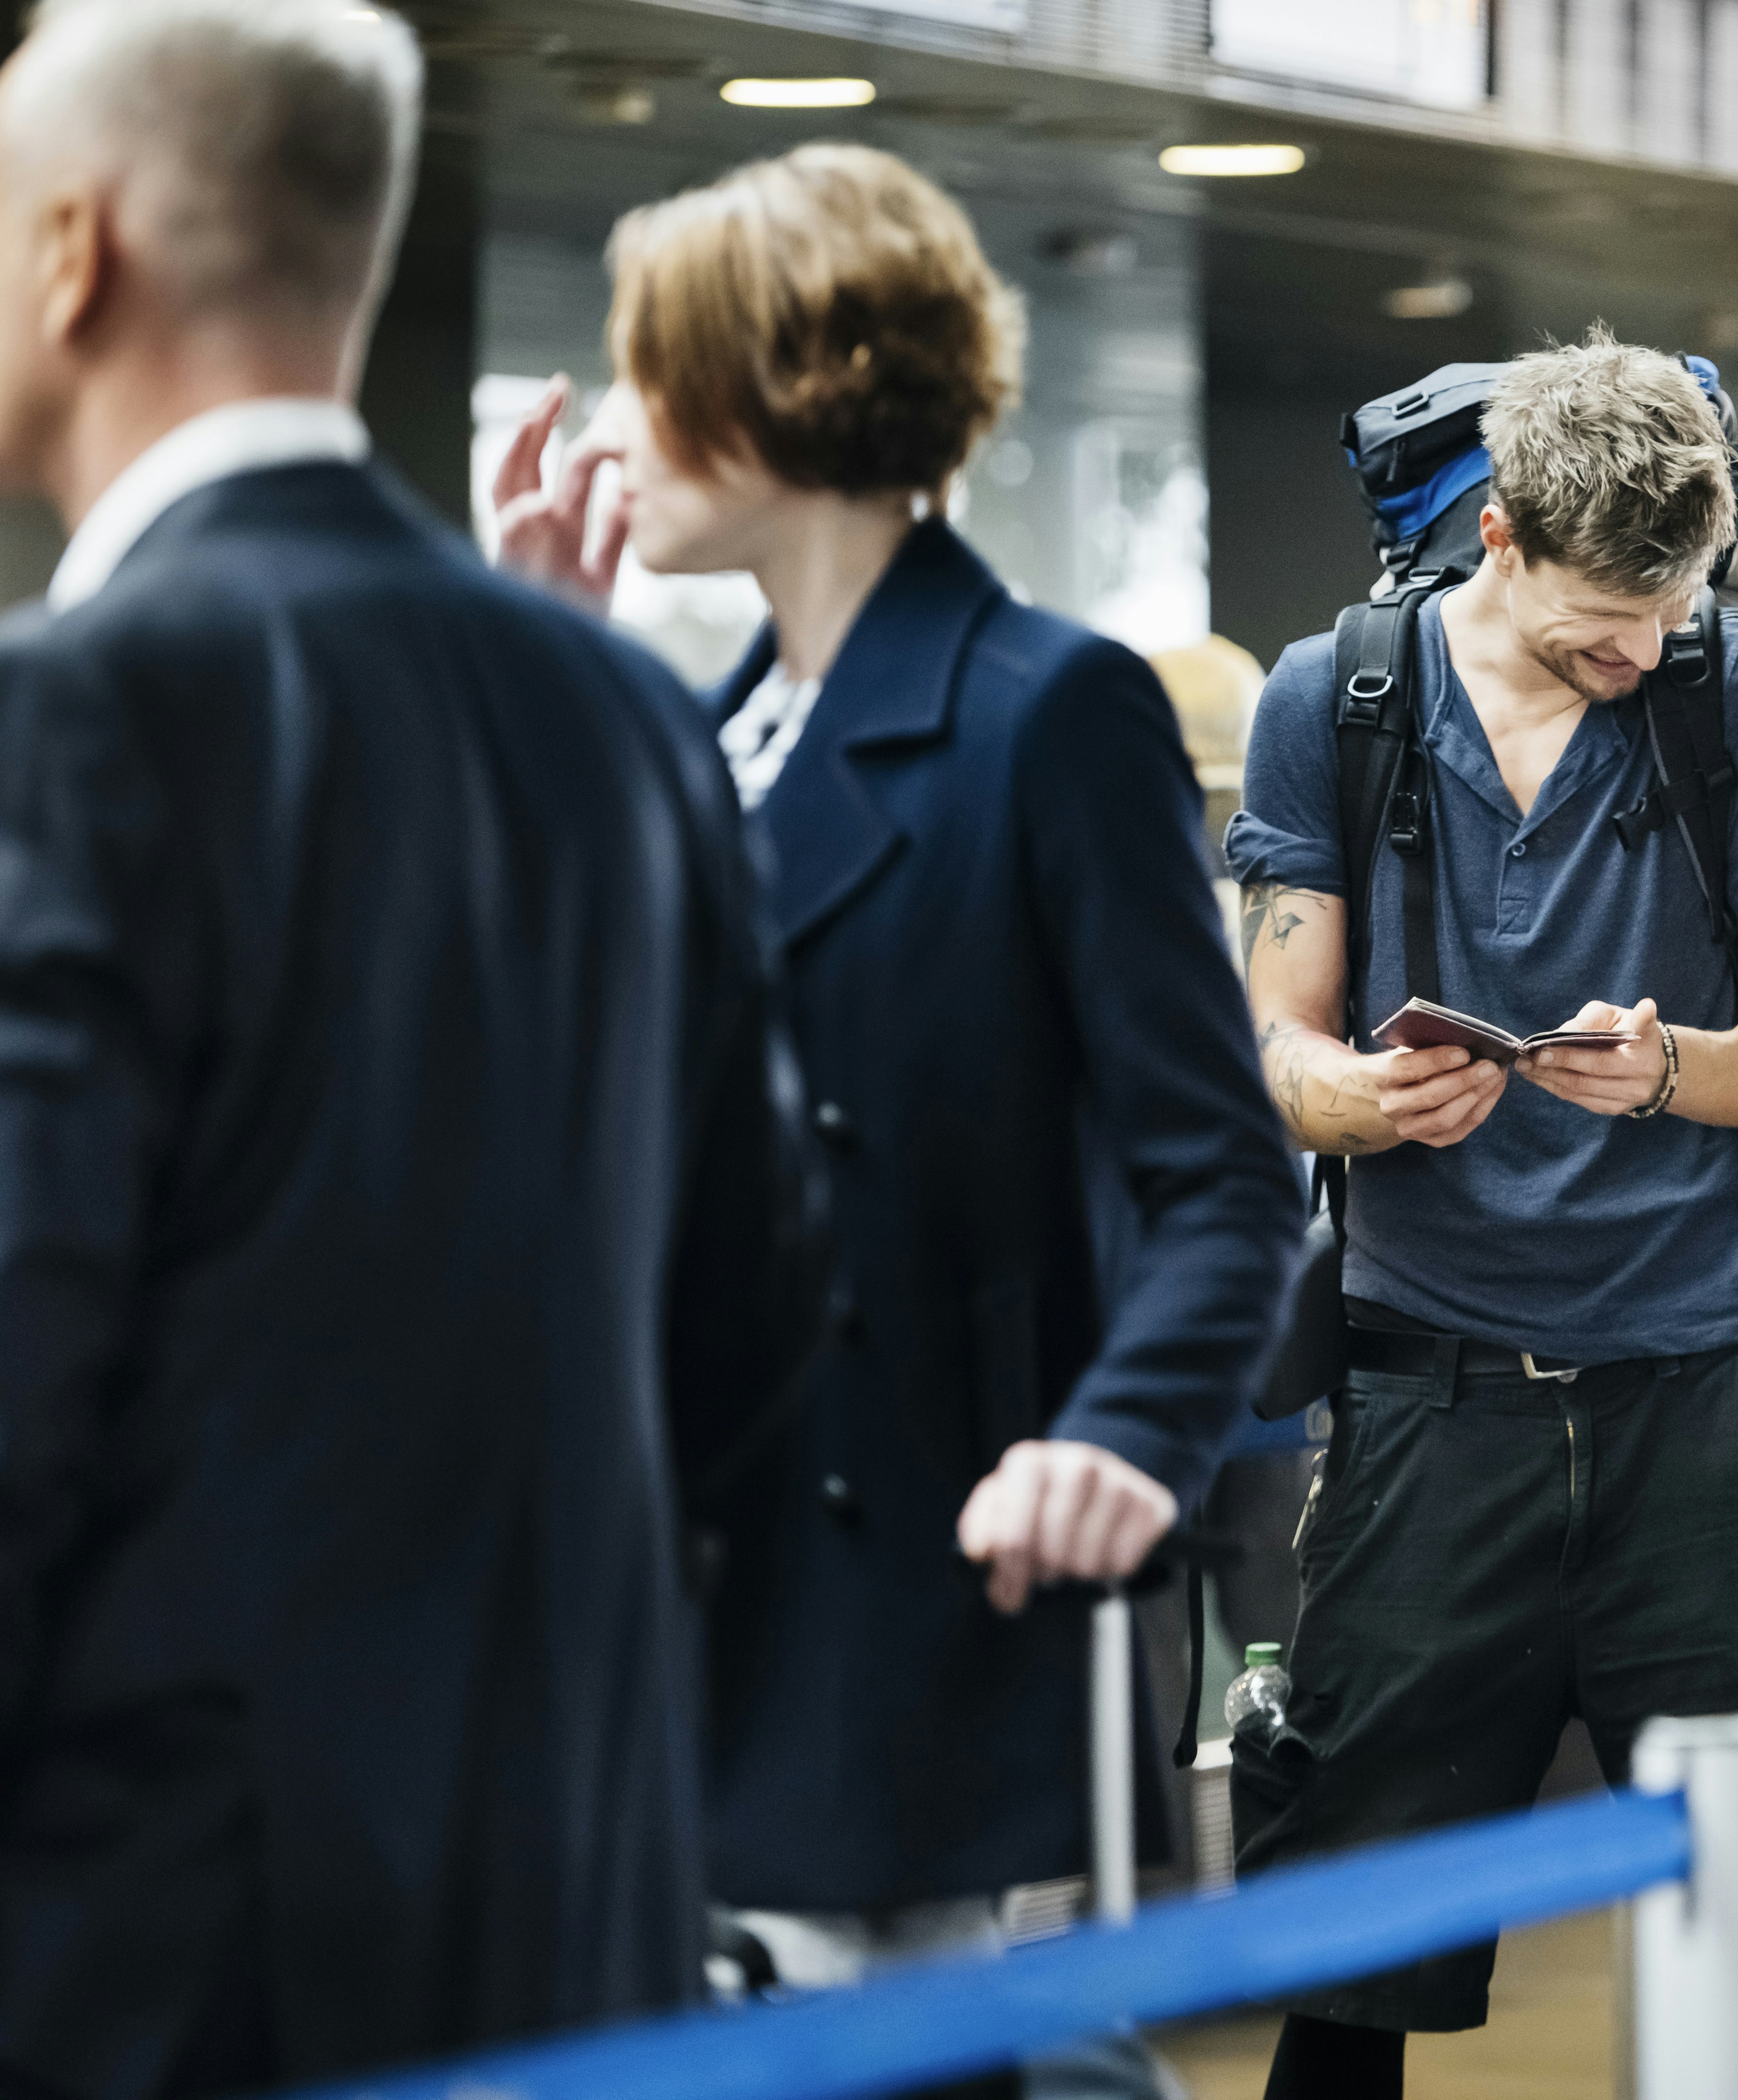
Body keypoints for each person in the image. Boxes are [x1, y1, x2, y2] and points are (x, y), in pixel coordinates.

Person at [0, 7, 823, 2096]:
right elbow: (749, 1332)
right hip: (577, 1908)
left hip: (167, 1954)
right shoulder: (627, 720)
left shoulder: (74, 714)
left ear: (72, 251)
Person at [491, 145, 1300, 2095]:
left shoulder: (1051, 712)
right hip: (661, 1605)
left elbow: (1225, 1177)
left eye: (650, 369)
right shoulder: (692, 736)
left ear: (788, 389)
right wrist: (549, 664)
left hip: (897, 1607)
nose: (613, 423)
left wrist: (1119, 1437)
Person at [1225, 332, 1738, 2098]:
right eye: (1593, 626)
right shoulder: (1336, 700)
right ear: (1497, 541)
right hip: (1424, 1411)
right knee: (1351, 1963)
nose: (1632, 658)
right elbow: (1273, 1042)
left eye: (1666, 615)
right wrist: (1358, 1100)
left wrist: (1676, 1066)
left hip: (1710, 1411)